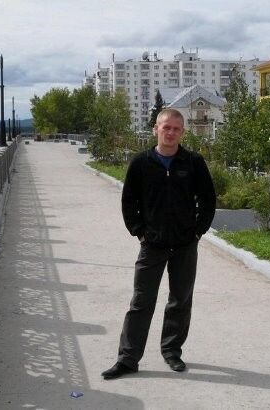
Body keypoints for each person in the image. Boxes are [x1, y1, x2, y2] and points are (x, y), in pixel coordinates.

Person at [102, 108, 216, 380]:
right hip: (152, 245)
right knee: (141, 302)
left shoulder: (193, 162)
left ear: (182, 132)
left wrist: (197, 232)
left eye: (176, 128)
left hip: (185, 245)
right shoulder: (141, 163)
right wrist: (139, 232)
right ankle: (128, 359)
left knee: (180, 300)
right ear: (156, 129)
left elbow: (208, 199)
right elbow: (129, 201)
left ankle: (171, 351)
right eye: (166, 127)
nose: (171, 132)